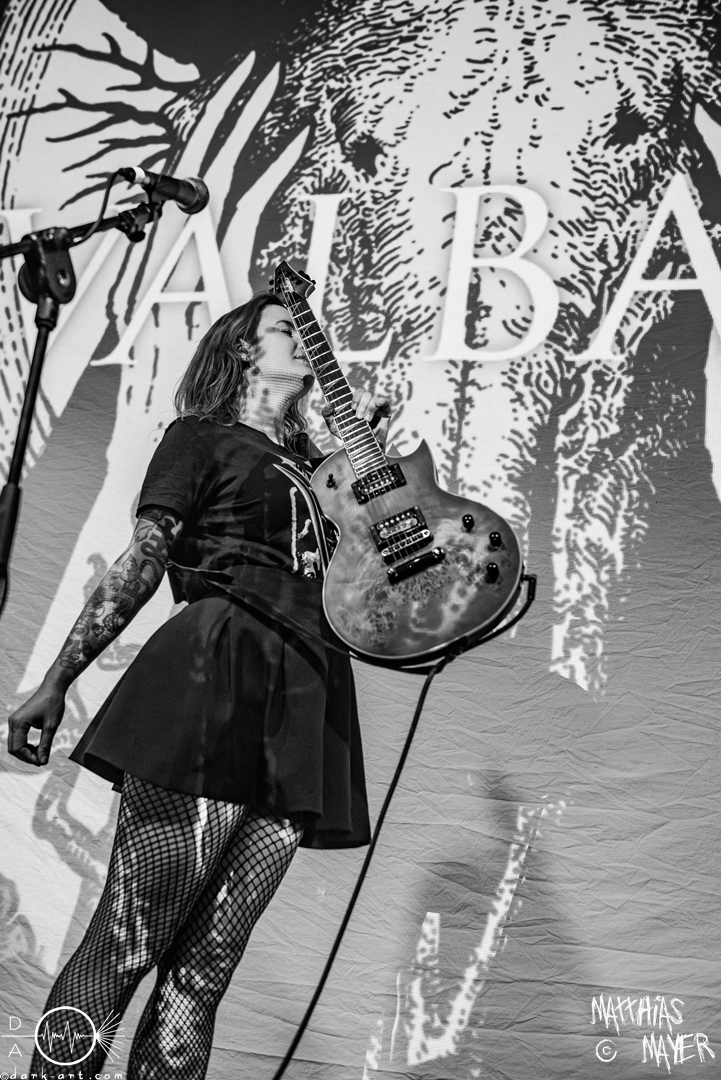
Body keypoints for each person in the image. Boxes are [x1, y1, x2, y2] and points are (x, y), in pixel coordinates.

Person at [7, 292, 391, 1080]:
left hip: (310, 689)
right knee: (131, 937)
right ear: (242, 350)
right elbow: (145, 556)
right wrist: (56, 678)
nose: (307, 339)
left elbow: (374, 593)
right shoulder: (200, 436)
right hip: (219, 668)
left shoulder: (322, 473)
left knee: (207, 967)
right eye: (286, 329)